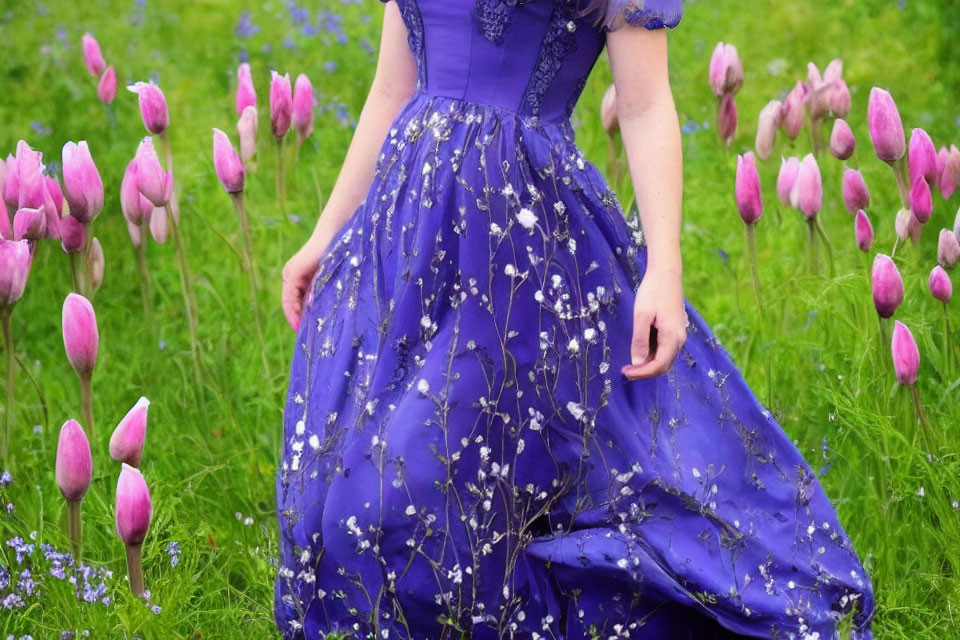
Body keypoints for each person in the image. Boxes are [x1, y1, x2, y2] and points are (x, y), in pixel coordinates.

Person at [275, 1, 875, 638]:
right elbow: (392, 89)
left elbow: (645, 108)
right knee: (346, 489)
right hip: (405, 236)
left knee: (425, 475)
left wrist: (663, 268)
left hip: (514, 247)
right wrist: (325, 232)